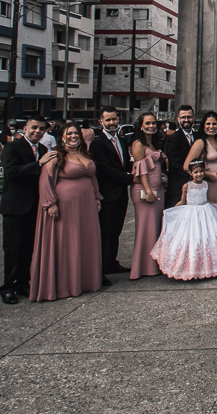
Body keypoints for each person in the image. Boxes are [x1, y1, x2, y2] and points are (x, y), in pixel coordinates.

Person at [30, 123, 104, 302]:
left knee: (85, 242)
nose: (73, 136)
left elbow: (92, 177)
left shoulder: (85, 154)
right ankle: (64, 285)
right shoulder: (56, 156)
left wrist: (96, 197)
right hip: (64, 207)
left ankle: (84, 281)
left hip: (86, 207)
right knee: (66, 243)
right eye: (69, 133)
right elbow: (45, 180)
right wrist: (50, 203)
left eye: (76, 133)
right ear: (62, 137)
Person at [151, 159, 217, 281]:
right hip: (191, 213)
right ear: (190, 173)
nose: (199, 174)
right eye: (196, 172)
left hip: (206, 212)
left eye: (201, 171)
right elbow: (183, 201)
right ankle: (191, 268)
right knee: (191, 238)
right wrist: (172, 210)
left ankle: (209, 267)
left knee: (210, 238)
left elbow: (206, 199)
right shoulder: (187, 186)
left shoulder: (206, 184)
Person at [1, 115, 48, 304]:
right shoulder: (12, 147)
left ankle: (22, 282)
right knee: (12, 247)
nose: (38, 131)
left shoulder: (43, 149)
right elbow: (11, 172)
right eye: (34, 128)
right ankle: (7, 287)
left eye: (42, 129)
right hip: (15, 204)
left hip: (34, 204)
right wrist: (38, 164)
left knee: (28, 246)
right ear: (25, 128)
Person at [89, 108, 133, 276]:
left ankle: (111, 262)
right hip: (107, 194)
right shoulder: (98, 143)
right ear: (101, 122)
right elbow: (106, 169)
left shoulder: (120, 141)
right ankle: (101, 268)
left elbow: (125, 164)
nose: (112, 123)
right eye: (108, 120)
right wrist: (131, 179)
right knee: (105, 232)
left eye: (114, 119)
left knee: (116, 230)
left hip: (121, 193)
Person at [130, 113, 167, 280]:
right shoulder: (138, 144)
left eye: (153, 123)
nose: (151, 126)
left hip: (157, 188)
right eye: (148, 123)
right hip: (146, 190)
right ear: (141, 125)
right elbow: (140, 170)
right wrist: (149, 191)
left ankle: (154, 264)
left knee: (155, 228)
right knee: (146, 228)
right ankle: (144, 267)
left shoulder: (152, 142)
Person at [184, 112, 217, 206]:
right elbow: (186, 166)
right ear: (203, 125)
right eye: (208, 123)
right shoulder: (200, 143)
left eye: (214, 123)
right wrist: (207, 174)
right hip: (205, 184)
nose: (211, 126)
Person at [164, 105, 195, 208]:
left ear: (193, 118)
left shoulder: (198, 136)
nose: (186, 120)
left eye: (189, 117)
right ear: (178, 119)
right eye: (183, 117)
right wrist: (193, 176)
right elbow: (175, 164)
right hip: (179, 185)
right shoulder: (173, 139)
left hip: (196, 185)